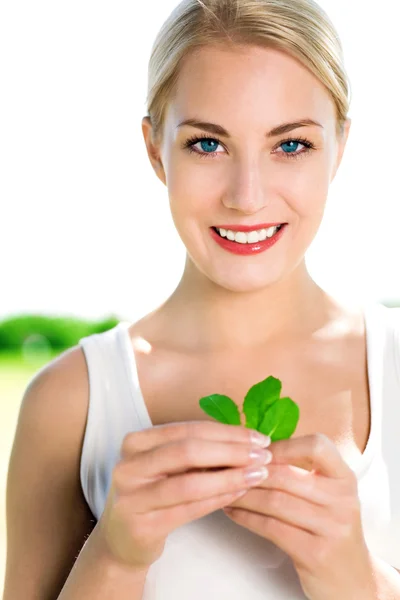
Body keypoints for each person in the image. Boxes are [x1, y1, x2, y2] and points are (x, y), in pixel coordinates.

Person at [3, 0, 400, 598]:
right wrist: (114, 556)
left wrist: (351, 577)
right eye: (207, 145)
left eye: (290, 145)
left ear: (340, 145)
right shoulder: (71, 402)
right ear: (155, 148)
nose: (247, 197)